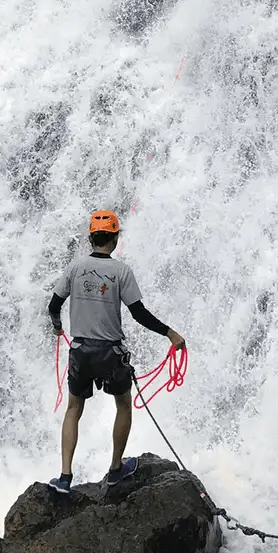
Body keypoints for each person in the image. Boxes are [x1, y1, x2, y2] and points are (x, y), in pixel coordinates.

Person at [47, 210, 185, 494]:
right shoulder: (122, 271)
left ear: (90, 238)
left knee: (74, 409)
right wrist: (170, 333)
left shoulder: (74, 268)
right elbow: (139, 313)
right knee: (123, 404)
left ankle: (64, 478)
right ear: (115, 239)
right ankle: (115, 470)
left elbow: (53, 304)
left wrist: (58, 326)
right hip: (110, 354)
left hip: (81, 352)